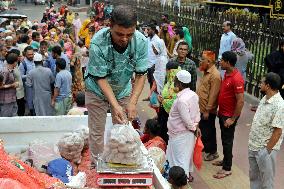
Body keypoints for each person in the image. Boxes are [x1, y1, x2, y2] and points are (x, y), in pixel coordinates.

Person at [84, 5, 148, 168]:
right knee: (97, 132)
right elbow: (100, 78)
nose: (125, 39)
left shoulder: (140, 41)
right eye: (120, 34)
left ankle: (121, 164)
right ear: (110, 25)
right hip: (97, 89)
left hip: (123, 89)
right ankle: (96, 165)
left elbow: (141, 75)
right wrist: (115, 105)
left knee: (123, 131)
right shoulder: (98, 42)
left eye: (129, 34)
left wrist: (132, 103)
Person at [248, 72, 284, 189]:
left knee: (267, 183)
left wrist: (266, 151)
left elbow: (278, 132)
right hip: (253, 145)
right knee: (254, 179)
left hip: (265, 150)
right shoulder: (265, 97)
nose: (260, 84)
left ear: (267, 86)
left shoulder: (279, 105)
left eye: (262, 82)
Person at [213, 51, 244, 179]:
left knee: (227, 141)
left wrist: (232, 119)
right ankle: (226, 160)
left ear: (228, 62)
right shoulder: (227, 73)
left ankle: (227, 168)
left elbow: (240, 101)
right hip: (222, 113)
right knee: (225, 139)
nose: (220, 62)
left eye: (222, 60)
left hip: (228, 116)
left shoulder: (237, 78)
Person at [166, 70, 200, 182]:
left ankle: (180, 182)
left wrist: (194, 128)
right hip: (186, 134)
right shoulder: (193, 95)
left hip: (181, 135)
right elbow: (197, 113)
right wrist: (195, 128)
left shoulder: (182, 100)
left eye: (175, 81)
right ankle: (183, 179)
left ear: (179, 84)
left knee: (179, 162)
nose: (174, 83)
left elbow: (187, 120)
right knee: (184, 158)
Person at [197, 51, 221, 161]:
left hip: (208, 110)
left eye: (203, 59)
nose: (201, 61)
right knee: (203, 129)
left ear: (209, 61)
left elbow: (213, 95)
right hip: (201, 107)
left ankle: (212, 152)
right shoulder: (206, 71)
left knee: (209, 131)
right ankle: (206, 148)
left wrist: (207, 110)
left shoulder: (215, 75)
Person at [157, 61, 181, 144]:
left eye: (167, 70)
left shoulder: (177, 84)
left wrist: (163, 100)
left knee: (167, 134)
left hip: (172, 114)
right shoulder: (170, 81)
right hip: (164, 110)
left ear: (169, 70)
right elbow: (166, 94)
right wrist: (162, 98)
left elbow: (175, 99)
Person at [19, 46, 36, 116]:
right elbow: (21, 76)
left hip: (36, 86)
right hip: (28, 88)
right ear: (25, 54)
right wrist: (29, 75)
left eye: (32, 54)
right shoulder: (22, 64)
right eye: (29, 54)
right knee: (30, 102)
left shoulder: (35, 61)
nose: (31, 56)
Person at [9, 49, 25, 116]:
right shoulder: (10, 68)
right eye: (19, 56)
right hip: (16, 93)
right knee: (18, 111)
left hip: (21, 92)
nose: (20, 57)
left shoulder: (18, 65)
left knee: (22, 110)